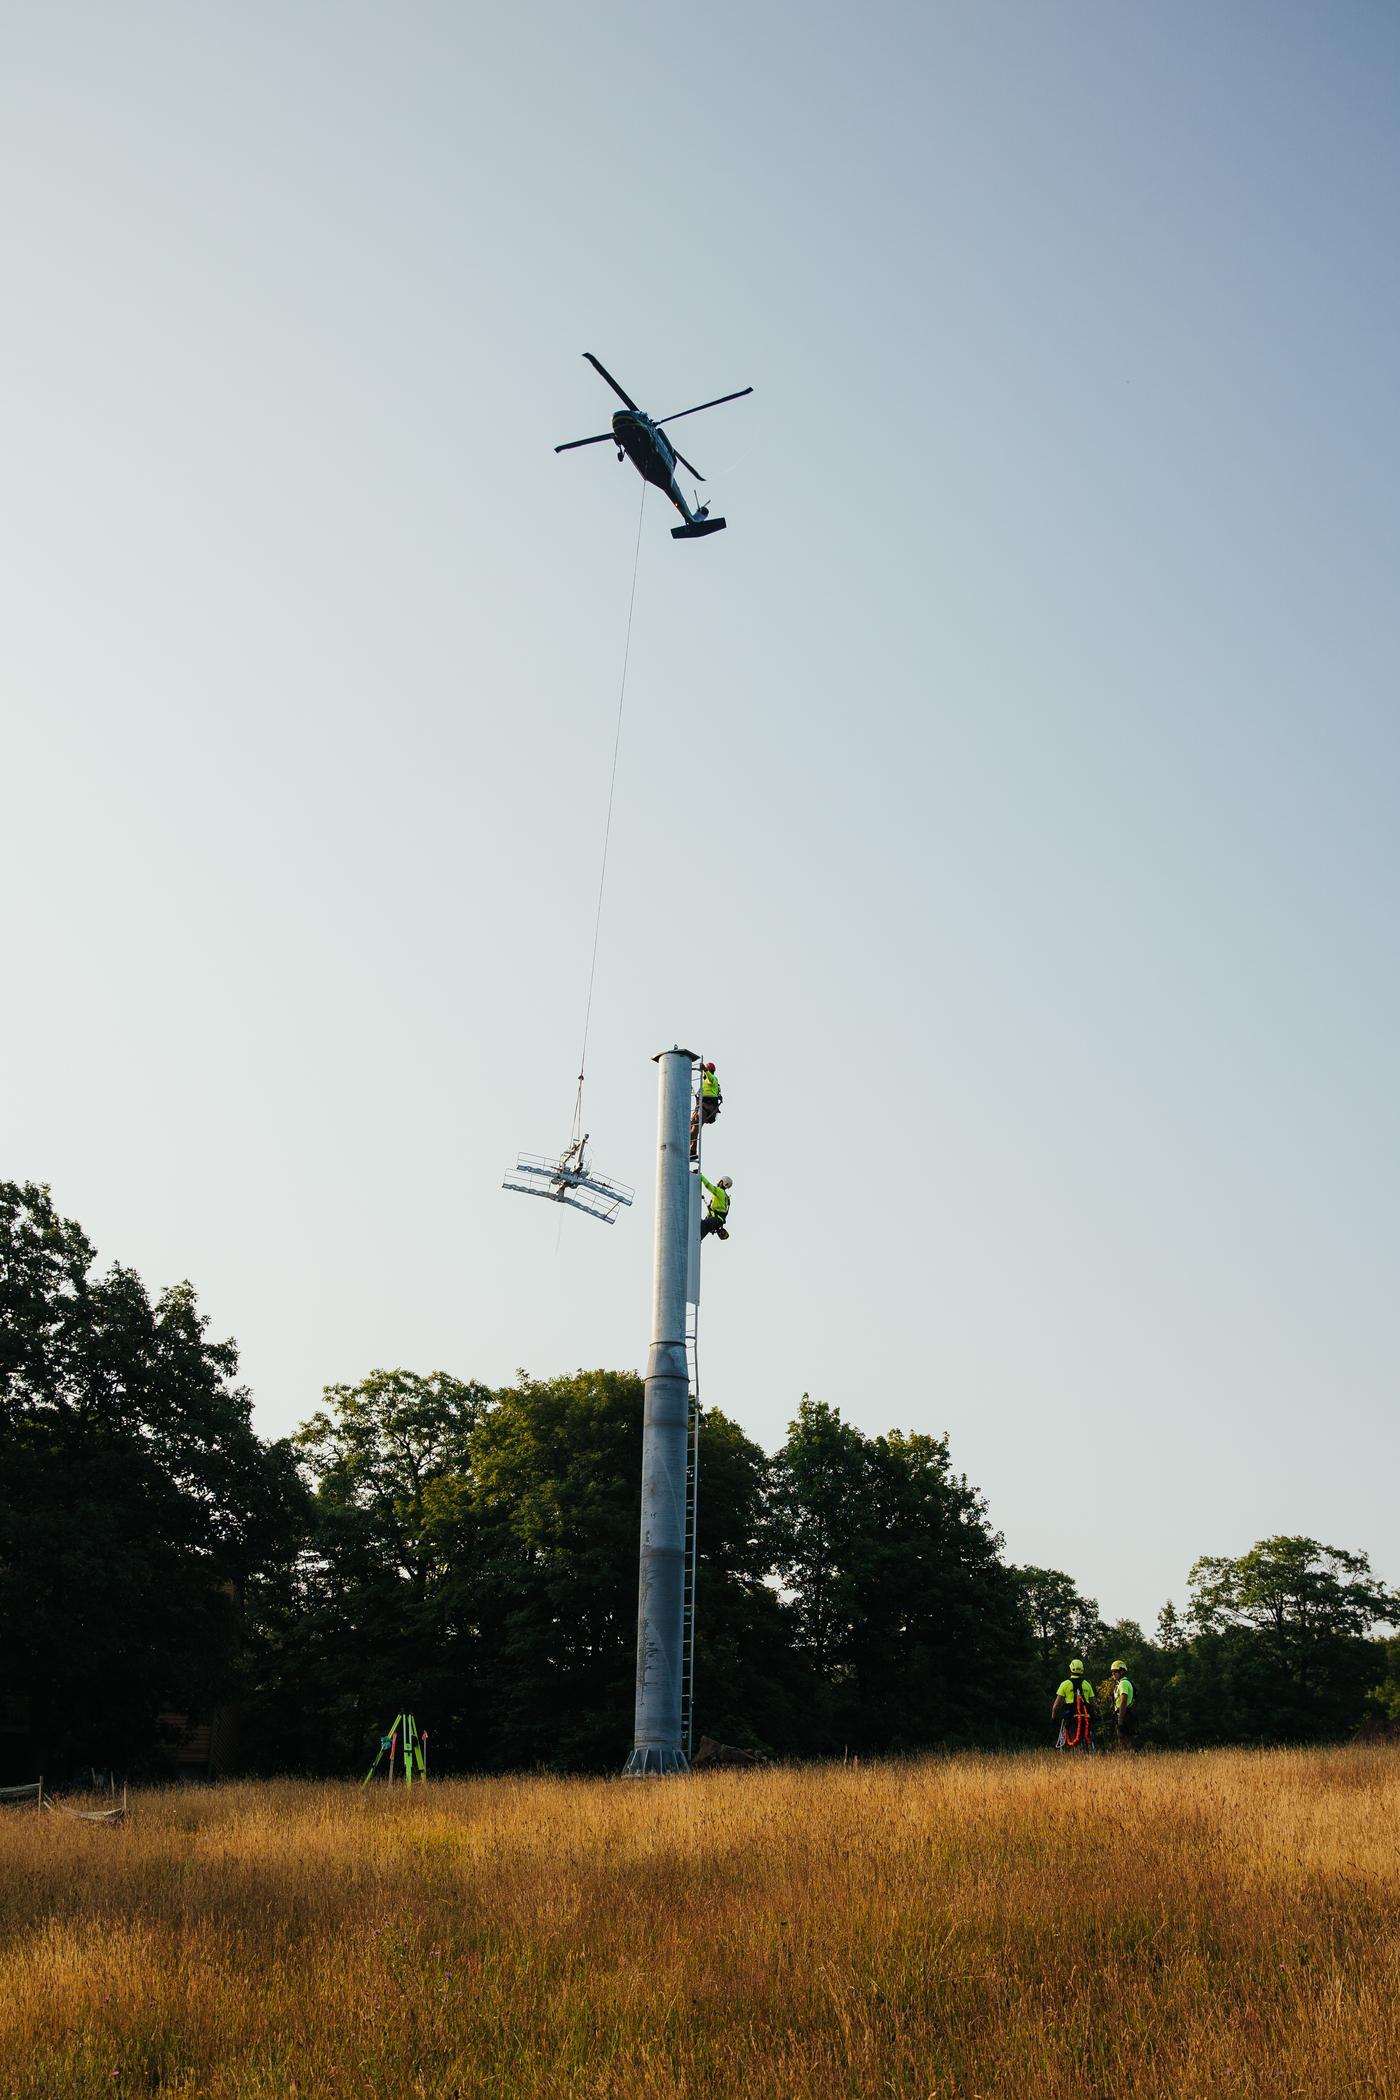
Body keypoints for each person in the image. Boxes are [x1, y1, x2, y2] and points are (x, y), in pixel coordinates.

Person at [1051, 1658, 1096, 1753]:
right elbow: (1093, 1704)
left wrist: (1054, 1717)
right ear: (1082, 1670)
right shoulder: (1087, 1684)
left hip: (1071, 1719)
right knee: (1086, 1741)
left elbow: (1057, 1705)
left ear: (1071, 1669)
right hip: (1086, 1718)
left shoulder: (1065, 1684)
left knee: (1072, 1742)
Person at [690, 1063, 722, 1158]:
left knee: (695, 1127)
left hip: (707, 1108)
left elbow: (711, 1078)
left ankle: (685, 1144)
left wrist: (705, 1070)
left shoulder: (712, 1079)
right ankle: (692, 1151)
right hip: (702, 1108)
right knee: (693, 1127)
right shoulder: (704, 1083)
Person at [1110, 1660, 1136, 1750]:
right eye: (1112, 1671)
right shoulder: (1120, 1684)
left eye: (1115, 1671)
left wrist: (1120, 1720)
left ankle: (1129, 1761)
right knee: (1124, 1742)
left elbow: (1123, 1701)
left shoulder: (1123, 1683)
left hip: (1125, 1715)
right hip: (1126, 1714)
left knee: (1125, 1741)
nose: (1113, 1673)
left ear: (1122, 1671)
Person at [700, 1173, 732, 1239]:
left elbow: (708, 1186)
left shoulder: (720, 1192)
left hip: (716, 1220)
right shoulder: (725, 1196)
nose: (718, 1182)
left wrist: (700, 1176)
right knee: (700, 1232)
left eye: (720, 1181)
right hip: (717, 1221)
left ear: (722, 1183)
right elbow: (715, 1210)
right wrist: (707, 1217)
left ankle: (695, 1240)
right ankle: (697, 1241)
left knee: (702, 1225)